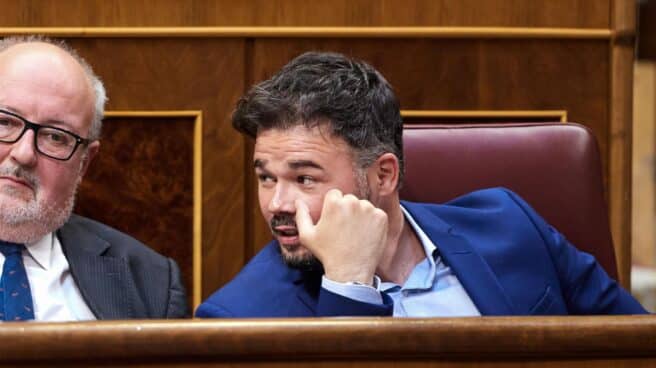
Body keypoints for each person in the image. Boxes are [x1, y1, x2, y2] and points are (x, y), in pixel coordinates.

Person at [196, 51, 647, 318]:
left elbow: (634, 346)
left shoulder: (511, 226)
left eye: (304, 178)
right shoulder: (242, 314)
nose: (277, 203)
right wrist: (349, 286)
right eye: (265, 177)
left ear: (384, 174)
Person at [0, 36, 188, 321]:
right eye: (4, 122)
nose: (24, 154)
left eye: (55, 137)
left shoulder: (150, 281)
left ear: (84, 163)